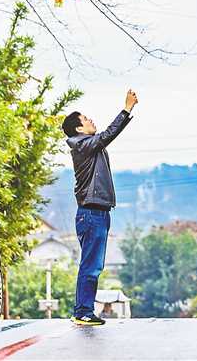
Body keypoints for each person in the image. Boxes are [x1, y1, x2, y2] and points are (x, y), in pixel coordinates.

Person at [62, 90, 138, 326]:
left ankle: (84, 310)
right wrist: (126, 109)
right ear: (78, 129)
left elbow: (103, 137)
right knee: (91, 265)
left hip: (98, 213)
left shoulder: (87, 145)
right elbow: (107, 135)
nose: (91, 120)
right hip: (91, 213)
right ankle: (83, 311)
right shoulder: (82, 145)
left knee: (93, 264)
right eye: (86, 120)